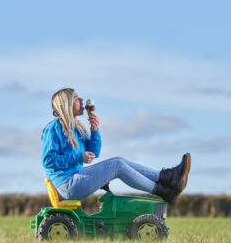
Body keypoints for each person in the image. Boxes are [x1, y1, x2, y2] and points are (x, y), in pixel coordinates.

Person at [41, 87, 191, 205]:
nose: (81, 99)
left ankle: (167, 177)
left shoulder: (76, 127)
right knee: (118, 165)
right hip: (67, 185)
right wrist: (78, 157)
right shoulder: (53, 129)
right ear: (66, 105)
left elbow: (94, 152)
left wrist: (94, 130)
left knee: (120, 161)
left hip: (76, 178)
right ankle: (164, 191)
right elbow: (48, 160)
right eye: (75, 98)